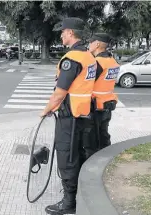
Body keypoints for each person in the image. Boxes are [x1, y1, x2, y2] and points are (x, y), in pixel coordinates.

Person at [41, 17, 97, 215]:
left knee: (67, 156)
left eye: (63, 31)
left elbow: (60, 91)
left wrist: (47, 109)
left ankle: (69, 202)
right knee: (79, 153)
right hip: (83, 113)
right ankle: (78, 192)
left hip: (69, 116)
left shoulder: (72, 59)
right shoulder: (89, 56)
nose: (61, 34)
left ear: (71, 33)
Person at [88, 33, 120, 150]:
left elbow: (87, 82)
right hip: (107, 105)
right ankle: (106, 156)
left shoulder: (97, 62)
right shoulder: (112, 61)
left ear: (96, 44)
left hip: (95, 106)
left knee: (92, 139)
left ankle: (94, 163)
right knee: (103, 134)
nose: (89, 45)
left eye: (90, 42)